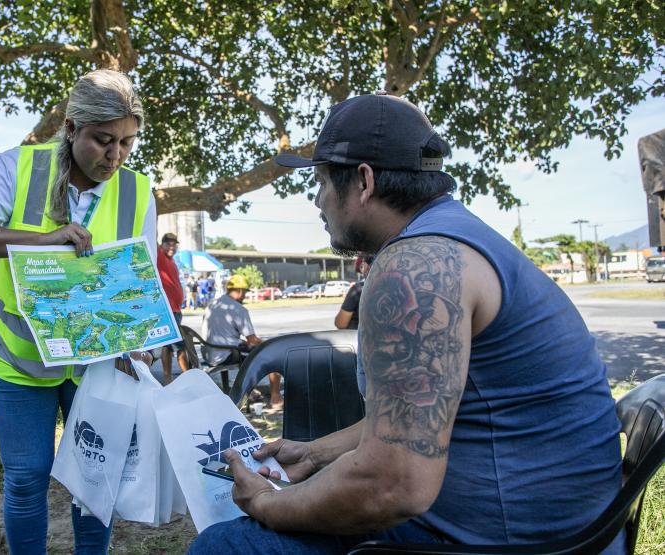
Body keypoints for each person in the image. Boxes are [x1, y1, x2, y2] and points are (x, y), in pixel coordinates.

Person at [188, 93, 624, 554]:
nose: (317, 202)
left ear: (364, 181)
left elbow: (393, 485)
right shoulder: (455, 237)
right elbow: (416, 416)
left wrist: (268, 504)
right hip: (559, 525)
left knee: (224, 545)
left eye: (319, 183)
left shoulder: (416, 264)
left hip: (517, 543)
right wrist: (314, 454)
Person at [0, 69, 158, 555]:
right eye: (103, 141)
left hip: (95, 364)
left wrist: (141, 342)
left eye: (126, 143)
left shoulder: (139, 191)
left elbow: (136, 280)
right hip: (21, 362)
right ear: (72, 128)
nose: (115, 156)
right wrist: (40, 242)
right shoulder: (18, 168)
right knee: (25, 478)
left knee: (92, 483)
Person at [202, 274, 283, 408]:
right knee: (272, 355)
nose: (244, 295)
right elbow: (252, 340)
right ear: (240, 291)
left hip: (209, 352)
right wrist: (267, 344)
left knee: (247, 349)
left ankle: (248, 391)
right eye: (245, 292)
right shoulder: (238, 309)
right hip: (226, 354)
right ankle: (276, 398)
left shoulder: (213, 304)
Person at [157, 232, 190, 383]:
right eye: (168, 244)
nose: (171, 247)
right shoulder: (160, 257)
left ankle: (171, 378)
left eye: (174, 244)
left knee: (169, 346)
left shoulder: (172, 262)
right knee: (179, 345)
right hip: (168, 310)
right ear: (161, 245)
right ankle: (185, 376)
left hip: (176, 310)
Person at [333, 254, 373, 331]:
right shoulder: (397, 287)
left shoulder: (357, 290)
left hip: (358, 338)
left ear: (366, 266)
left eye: (361, 267)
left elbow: (340, 323)